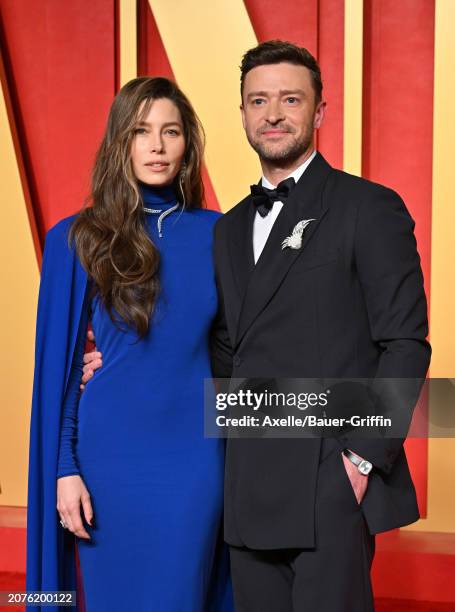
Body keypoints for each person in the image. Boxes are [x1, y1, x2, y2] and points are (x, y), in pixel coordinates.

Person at [83, 42, 431, 611]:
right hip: (244, 483)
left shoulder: (369, 207)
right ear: (242, 113)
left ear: (319, 111)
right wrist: (118, 363)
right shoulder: (228, 229)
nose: (273, 114)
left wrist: (362, 457)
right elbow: (215, 348)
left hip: (330, 477)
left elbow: (405, 343)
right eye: (258, 100)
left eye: (290, 99)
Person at [26, 76, 233, 612]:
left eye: (171, 131)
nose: (157, 147)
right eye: (141, 132)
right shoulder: (77, 238)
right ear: (120, 140)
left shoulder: (222, 235)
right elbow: (62, 372)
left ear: (189, 143)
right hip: (107, 458)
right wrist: (64, 467)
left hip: (196, 456)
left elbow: (246, 346)